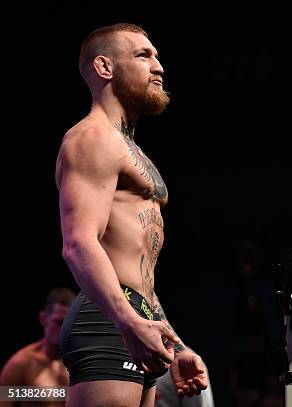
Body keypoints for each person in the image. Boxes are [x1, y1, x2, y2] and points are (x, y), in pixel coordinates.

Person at [55, 23, 207, 407]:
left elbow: (138, 270)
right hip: (109, 321)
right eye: (144, 55)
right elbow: (78, 243)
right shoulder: (92, 138)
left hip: (135, 319)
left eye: (156, 56)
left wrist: (175, 341)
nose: (159, 67)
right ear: (105, 67)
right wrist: (127, 322)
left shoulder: (129, 148)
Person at [0, 287, 76, 406]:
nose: (65, 329)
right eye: (59, 322)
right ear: (43, 319)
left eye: (69, 323)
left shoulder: (79, 362)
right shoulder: (22, 363)